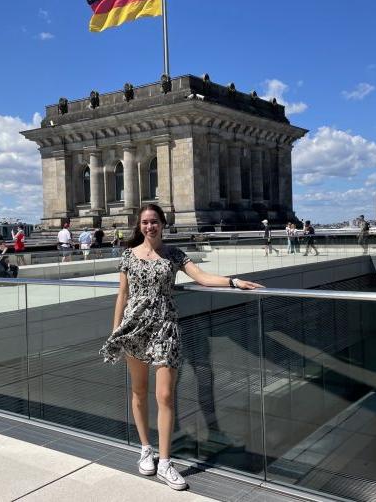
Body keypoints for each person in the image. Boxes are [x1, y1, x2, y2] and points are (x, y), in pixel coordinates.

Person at [100, 204, 262, 491]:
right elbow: (122, 295)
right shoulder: (128, 255)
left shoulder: (174, 254)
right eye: (145, 223)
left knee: (164, 395)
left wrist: (234, 282)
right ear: (140, 226)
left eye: (154, 222)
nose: (150, 227)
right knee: (139, 391)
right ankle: (145, 449)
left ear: (163, 224)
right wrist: (116, 332)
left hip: (165, 327)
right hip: (134, 328)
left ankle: (165, 462)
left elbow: (201, 277)